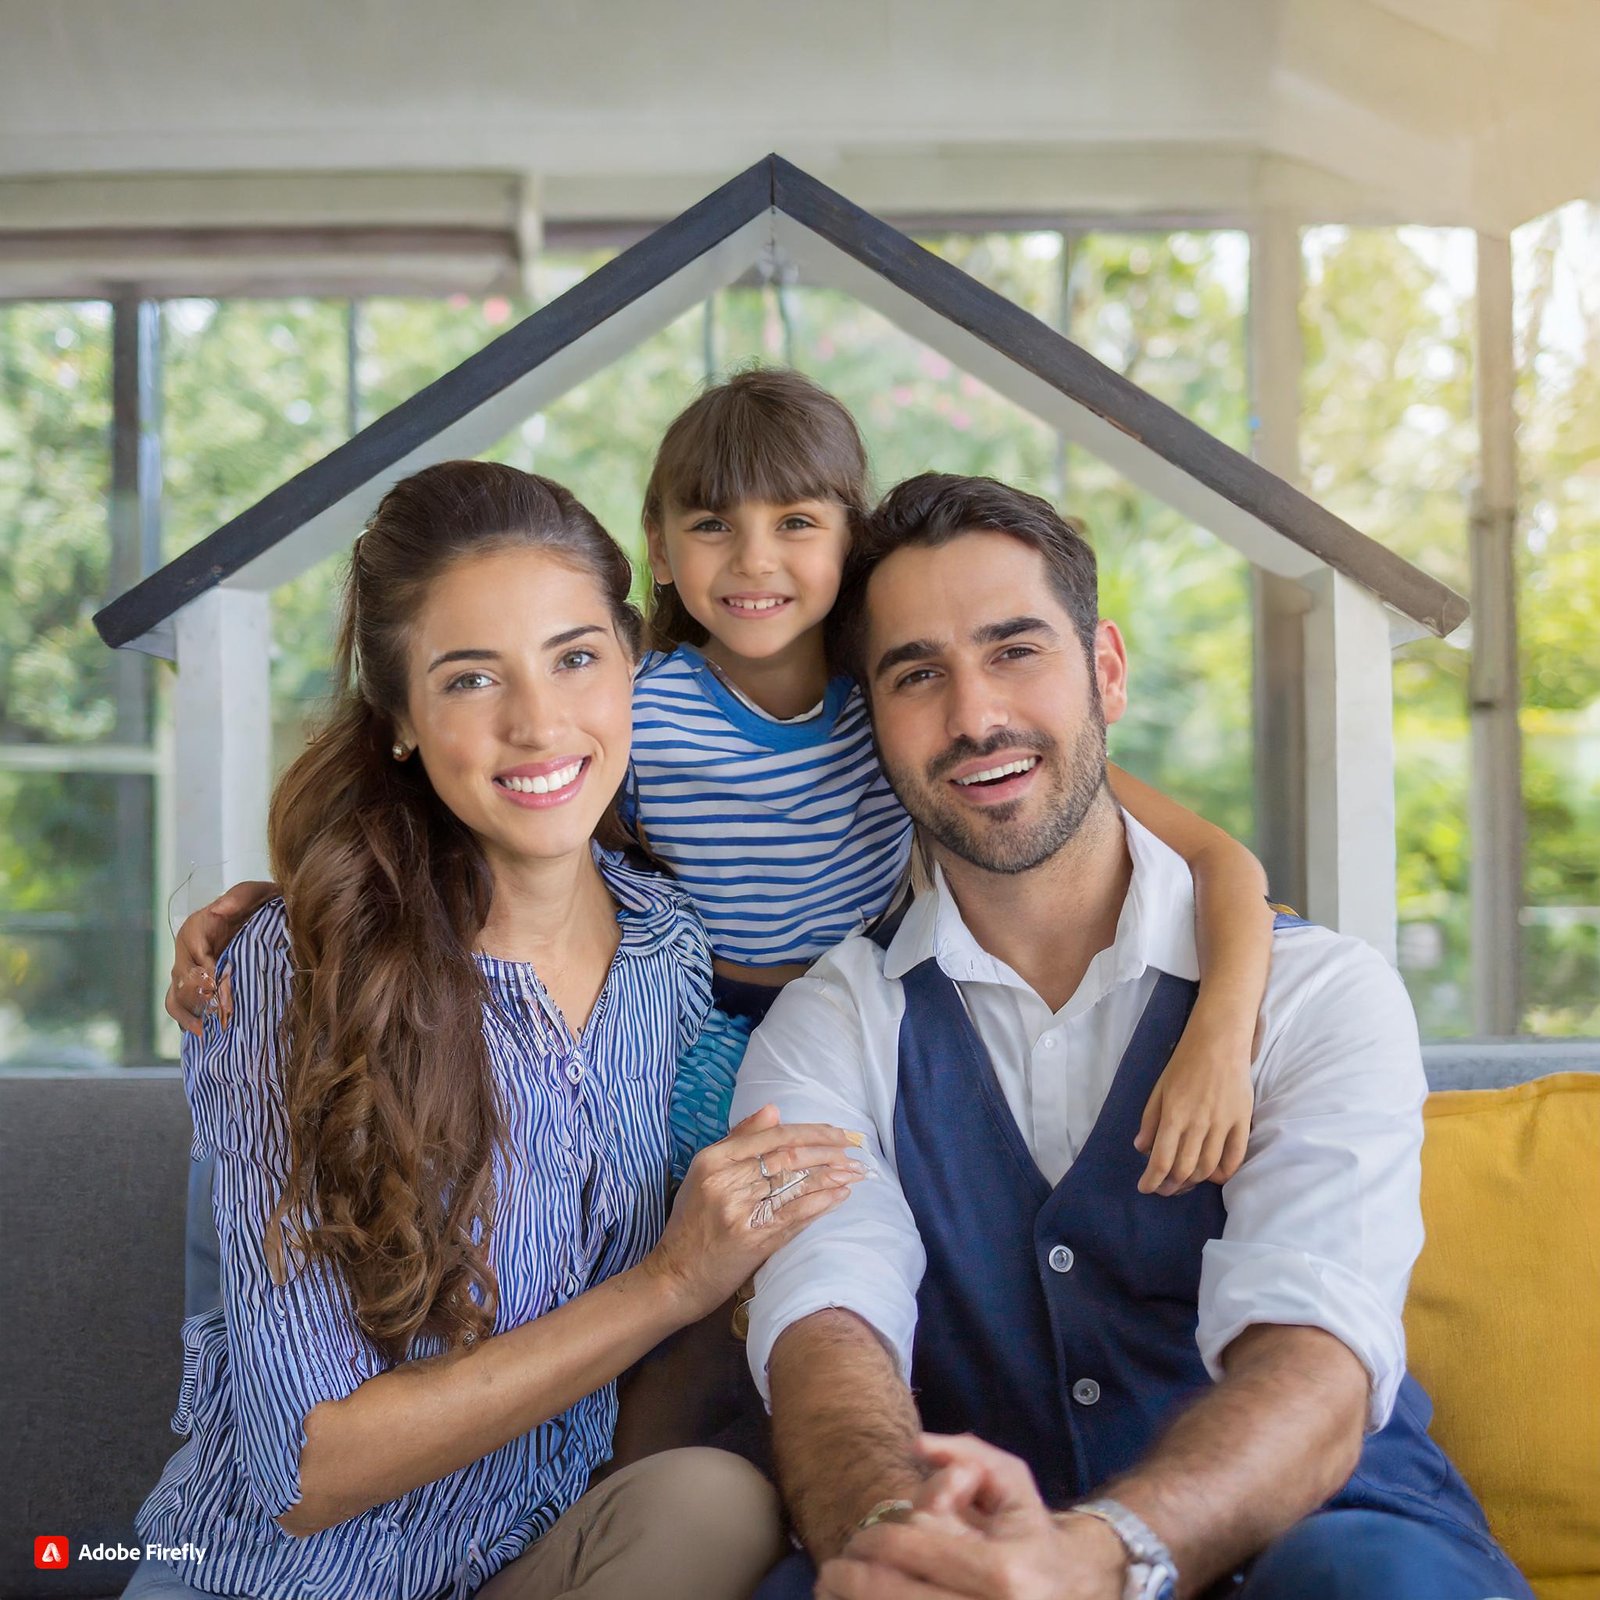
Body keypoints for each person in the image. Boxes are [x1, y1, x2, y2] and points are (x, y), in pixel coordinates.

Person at [732, 474, 1533, 1600]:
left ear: (1105, 669)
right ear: (872, 717)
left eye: (1016, 650)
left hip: (1320, 1541)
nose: (974, 717)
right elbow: (825, 1330)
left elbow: (1313, 1356)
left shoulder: (1318, 992)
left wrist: (1103, 1554)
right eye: (918, 674)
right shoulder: (832, 1023)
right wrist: (897, 1537)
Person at [176, 372, 1270, 1197]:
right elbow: (489, 824)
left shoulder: (900, 700)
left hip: (872, 999)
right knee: (684, 1224)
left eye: (796, 524)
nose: (753, 561)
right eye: (712, 527)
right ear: (658, 547)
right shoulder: (631, 702)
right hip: (695, 1012)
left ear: (853, 540)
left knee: (888, 1208)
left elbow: (1215, 858)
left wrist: (1219, 1033)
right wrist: (292, 906)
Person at [124, 461, 867, 1600]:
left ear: (632, 664)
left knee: (712, 1505)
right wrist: (670, 1282)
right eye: (471, 680)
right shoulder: (293, 968)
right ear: (403, 723)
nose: (538, 723)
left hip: (523, 1562)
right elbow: (305, 1467)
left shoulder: (670, 948)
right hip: (279, 1577)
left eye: (575, 656)